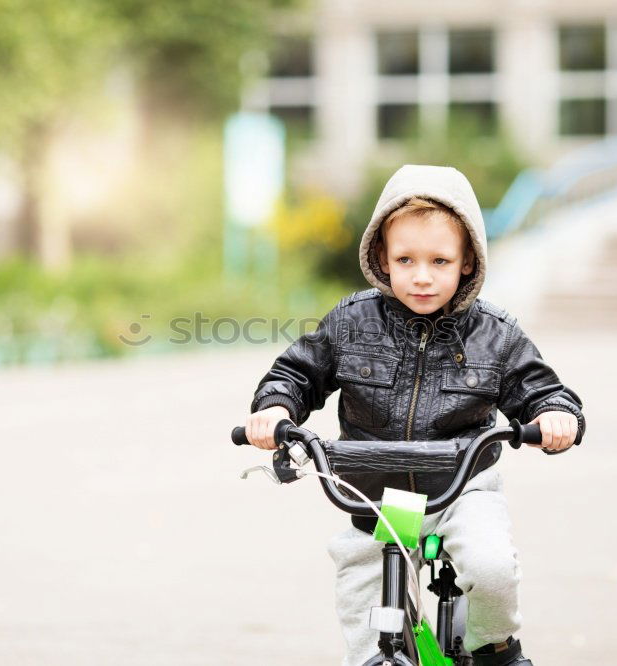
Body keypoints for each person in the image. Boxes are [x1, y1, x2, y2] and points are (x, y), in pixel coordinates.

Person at [243, 164, 585, 666]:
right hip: (374, 497)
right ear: (381, 257)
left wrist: (555, 415)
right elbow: (296, 373)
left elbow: (544, 390)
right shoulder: (351, 322)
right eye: (405, 259)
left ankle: (494, 646)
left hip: (462, 487)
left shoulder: (496, 333)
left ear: (468, 262)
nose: (421, 276)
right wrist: (275, 408)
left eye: (440, 261)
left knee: (490, 568)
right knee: (361, 599)